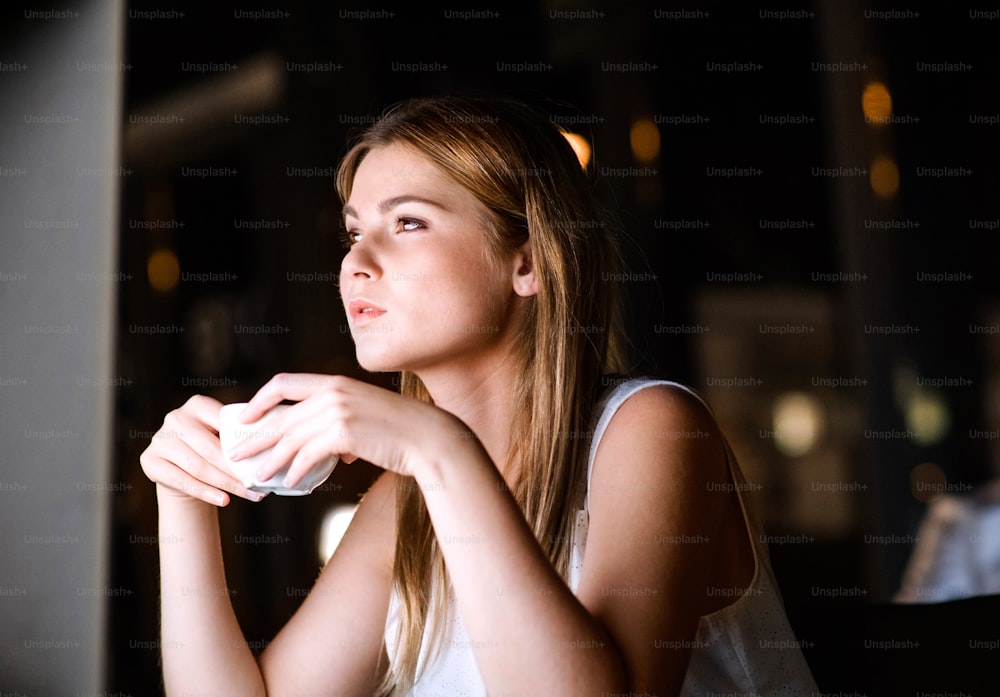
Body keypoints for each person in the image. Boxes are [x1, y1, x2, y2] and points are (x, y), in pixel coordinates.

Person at [140, 95, 819, 696]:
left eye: (406, 222)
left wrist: (436, 449)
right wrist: (186, 498)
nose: (355, 260)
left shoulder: (650, 430)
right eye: (353, 232)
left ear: (527, 260)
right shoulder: (405, 502)